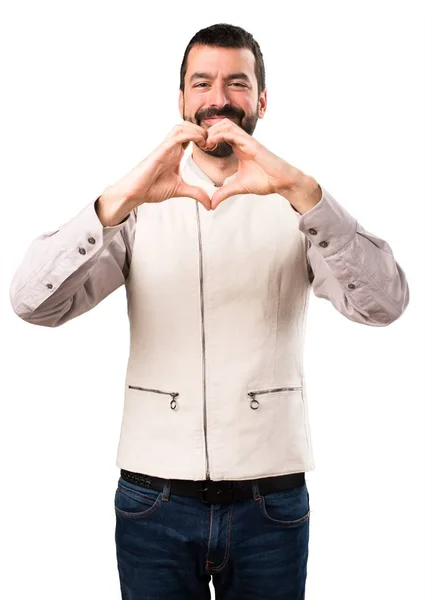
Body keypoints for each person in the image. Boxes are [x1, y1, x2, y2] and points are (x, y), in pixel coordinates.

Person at [10, 22, 409, 600]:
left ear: (262, 100)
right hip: (154, 499)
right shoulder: (138, 204)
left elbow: (386, 304)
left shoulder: (299, 205)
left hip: (270, 501)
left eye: (237, 83)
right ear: (181, 100)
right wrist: (114, 202)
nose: (218, 99)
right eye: (203, 83)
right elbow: (32, 304)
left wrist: (306, 192)